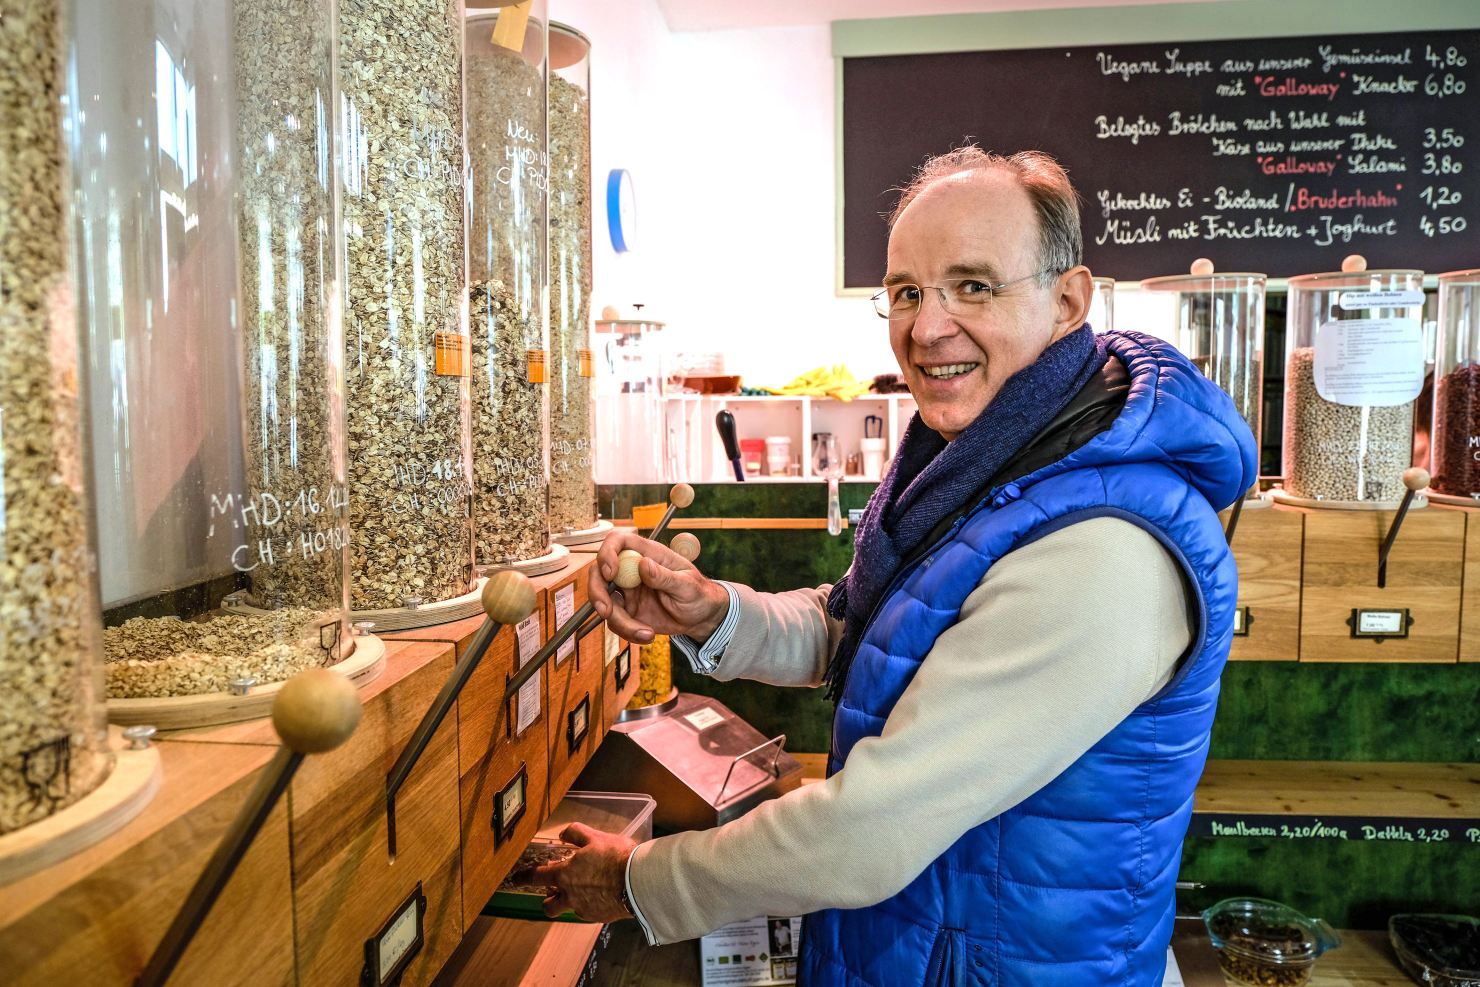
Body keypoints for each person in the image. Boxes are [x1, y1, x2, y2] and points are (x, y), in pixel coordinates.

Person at [530, 147, 1256, 986]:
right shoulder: (986, 463)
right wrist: (714, 613)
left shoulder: (1103, 547)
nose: (926, 326)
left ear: (1067, 300)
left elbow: (866, 833)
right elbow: (871, 630)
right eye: (907, 291)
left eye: (973, 285)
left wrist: (637, 880)